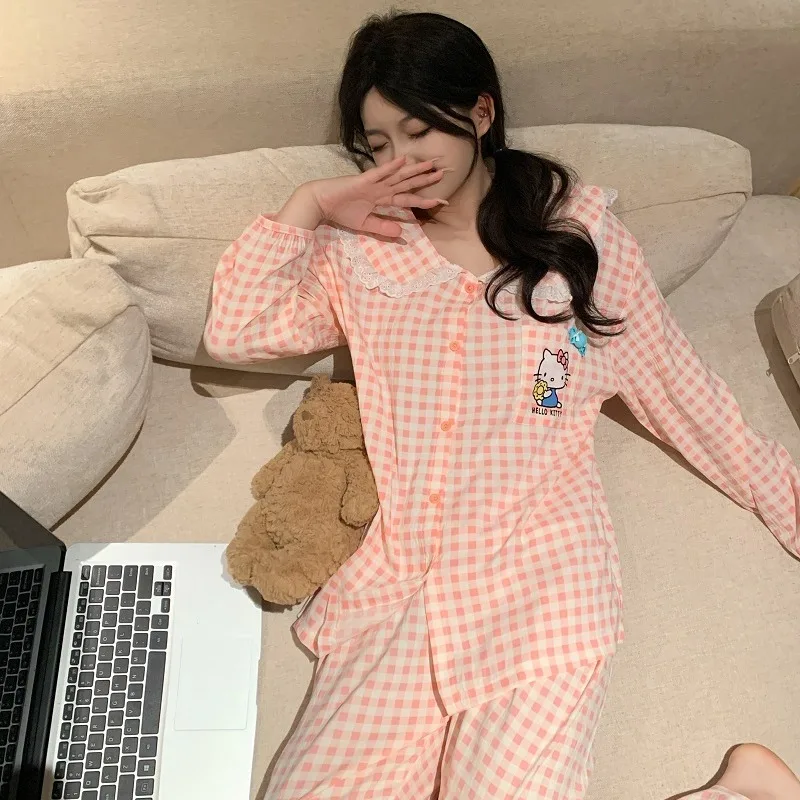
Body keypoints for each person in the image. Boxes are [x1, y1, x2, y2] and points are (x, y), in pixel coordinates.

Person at [204, 11, 800, 800]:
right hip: (402, 595)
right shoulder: (361, 254)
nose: (400, 162)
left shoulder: (580, 243)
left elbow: (685, 394)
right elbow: (237, 331)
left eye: (418, 132)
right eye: (376, 145)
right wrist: (309, 203)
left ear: (480, 113)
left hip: (539, 589)